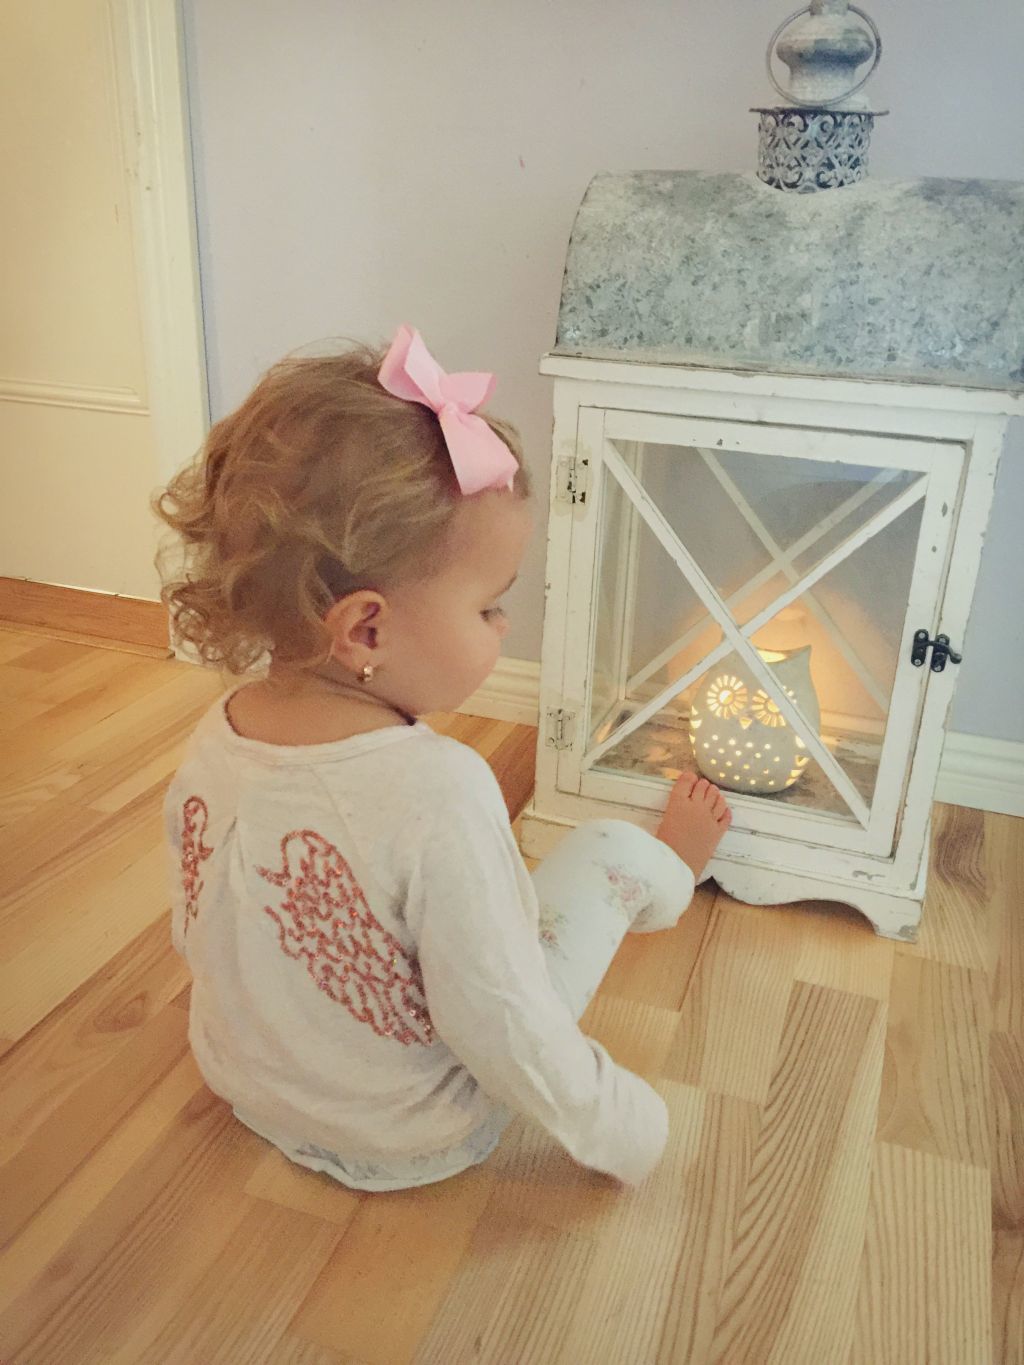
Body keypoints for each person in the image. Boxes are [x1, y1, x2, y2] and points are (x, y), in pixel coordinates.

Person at [157, 325, 731, 1193]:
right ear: (367, 628)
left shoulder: (217, 736)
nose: (505, 626)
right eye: (490, 607)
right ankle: (673, 870)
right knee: (604, 850)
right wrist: (630, 1129)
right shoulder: (441, 788)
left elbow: (199, 929)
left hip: (245, 1087)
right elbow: (506, 1023)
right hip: (415, 1132)